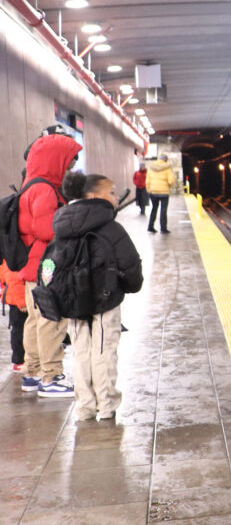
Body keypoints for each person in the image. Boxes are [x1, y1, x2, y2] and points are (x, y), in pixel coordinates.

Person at [52, 174, 143, 421]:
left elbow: (51, 262)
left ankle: (85, 406)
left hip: (74, 302)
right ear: (93, 197)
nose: (115, 197)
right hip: (105, 300)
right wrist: (130, 286)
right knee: (103, 350)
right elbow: (130, 264)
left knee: (81, 351)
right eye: (111, 192)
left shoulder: (62, 225)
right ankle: (106, 404)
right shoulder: (110, 227)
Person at [19, 129, 82, 398]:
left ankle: (32, 373)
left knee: (35, 320)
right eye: (68, 162)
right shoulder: (45, 190)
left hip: (33, 266)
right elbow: (47, 230)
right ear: (55, 159)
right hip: (48, 266)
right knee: (52, 319)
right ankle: (51, 376)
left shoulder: (31, 185)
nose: (70, 167)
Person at [1, 260, 27, 373]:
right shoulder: (13, 251)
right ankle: (19, 360)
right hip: (18, 297)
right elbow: (13, 278)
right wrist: (21, 301)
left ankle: (19, 360)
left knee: (19, 328)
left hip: (15, 295)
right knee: (20, 329)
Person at [146, 154, 176, 234]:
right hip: (164, 193)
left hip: (153, 192)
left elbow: (147, 181)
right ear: (165, 160)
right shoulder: (167, 167)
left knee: (154, 209)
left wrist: (149, 190)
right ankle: (163, 228)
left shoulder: (151, 167)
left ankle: (150, 226)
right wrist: (168, 186)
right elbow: (171, 181)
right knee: (163, 210)